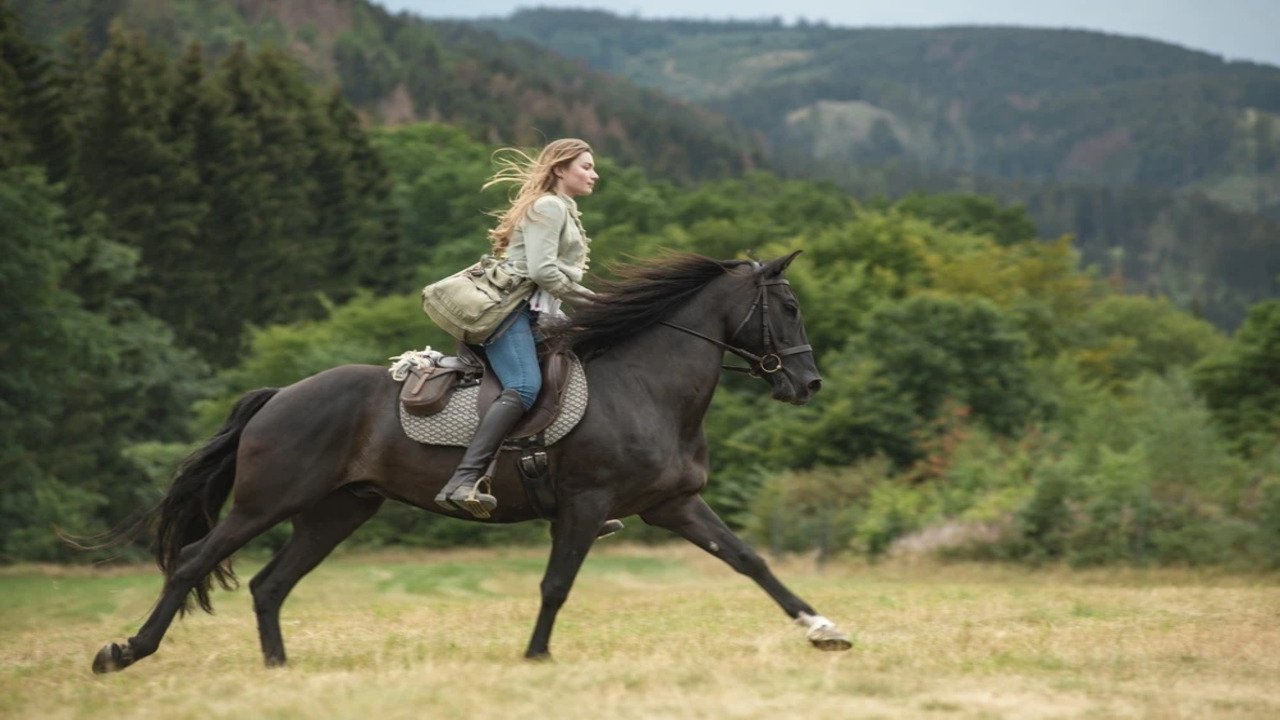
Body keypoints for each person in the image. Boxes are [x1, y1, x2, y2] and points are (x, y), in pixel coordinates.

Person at [434, 138, 605, 522]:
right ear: (560, 169)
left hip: (537, 313)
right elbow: (543, 271)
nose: (594, 174)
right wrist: (595, 302)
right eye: (586, 166)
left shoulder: (563, 207)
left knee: (583, 370)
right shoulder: (548, 206)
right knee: (525, 387)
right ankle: (462, 481)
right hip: (511, 313)